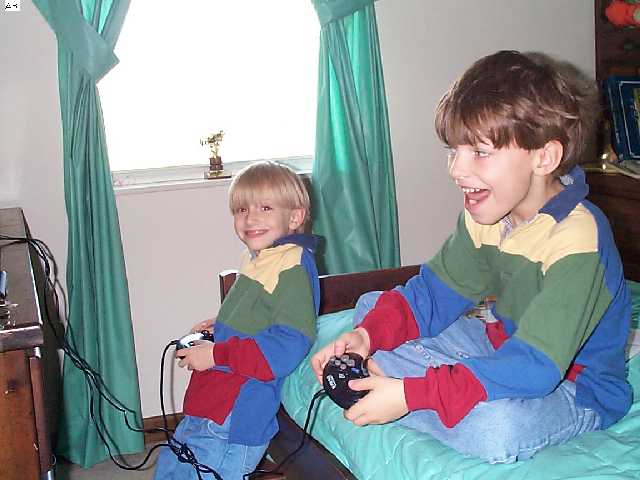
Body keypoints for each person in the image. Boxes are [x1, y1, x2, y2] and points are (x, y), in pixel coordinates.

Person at [311, 50, 632, 463]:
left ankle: (408, 391)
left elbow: (536, 367)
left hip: (573, 385)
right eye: (453, 151)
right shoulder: (490, 215)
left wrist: (411, 395)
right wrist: (367, 337)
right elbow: (431, 296)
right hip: (502, 345)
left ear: (544, 157)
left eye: (479, 152)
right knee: (372, 309)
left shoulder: (578, 239)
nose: (456, 170)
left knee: (496, 430)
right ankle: (417, 385)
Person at [154, 161, 320, 480]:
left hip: (234, 416)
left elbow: (288, 343)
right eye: (242, 209)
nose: (250, 218)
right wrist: (221, 324)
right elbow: (262, 313)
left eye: (265, 208)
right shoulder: (260, 258)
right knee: (173, 466)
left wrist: (216, 354)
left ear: (295, 217)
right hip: (212, 399)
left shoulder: (292, 266)